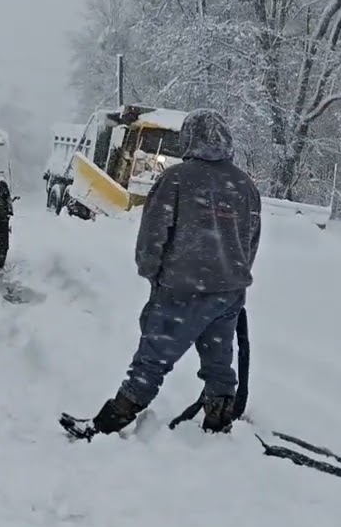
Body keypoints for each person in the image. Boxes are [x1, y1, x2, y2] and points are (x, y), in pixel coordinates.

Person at [85, 107, 262, 435]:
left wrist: (151, 270)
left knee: (152, 358)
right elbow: (250, 239)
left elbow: (154, 233)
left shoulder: (176, 179)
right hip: (228, 294)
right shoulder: (244, 185)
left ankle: (115, 417)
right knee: (219, 361)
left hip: (182, 291)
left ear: (190, 137)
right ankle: (219, 415)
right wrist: (232, 276)